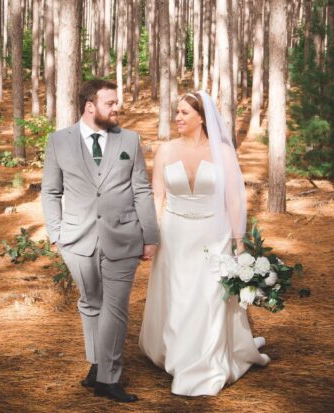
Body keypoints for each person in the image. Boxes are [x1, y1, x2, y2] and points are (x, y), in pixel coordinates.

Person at [139, 91, 270, 396]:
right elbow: (157, 197)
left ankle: (205, 363)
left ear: (202, 116)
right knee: (180, 297)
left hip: (214, 233)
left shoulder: (222, 152)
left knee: (210, 298)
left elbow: (234, 198)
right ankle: (178, 354)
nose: (178, 118)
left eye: (184, 112)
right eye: (177, 112)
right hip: (174, 234)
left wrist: (238, 242)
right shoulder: (166, 150)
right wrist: (152, 236)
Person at [41, 79, 159, 403]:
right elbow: (50, 191)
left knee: (115, 308)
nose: (117, 108)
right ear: (90, 106)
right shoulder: (59, 141)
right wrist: (57, 234)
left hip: (124, 236)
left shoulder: (130, 140)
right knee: (91, 303)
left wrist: (150, 236)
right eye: (111, 103)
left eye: (116, 102)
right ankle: (96, 365)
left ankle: (108, 378)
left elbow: (142, 191)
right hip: (76, 240)